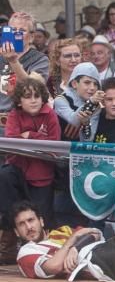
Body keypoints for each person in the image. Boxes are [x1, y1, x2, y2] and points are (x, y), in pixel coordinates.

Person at [0, 76, 60, 233]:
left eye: (37, 96)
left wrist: (30, 135)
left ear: (43, 98)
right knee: (4, 175)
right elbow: (11, 141)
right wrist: (37, 140)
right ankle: (8, 234)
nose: (33, 100)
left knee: (42, 221)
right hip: (18, 172)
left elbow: (54, 144)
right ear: (19, 101)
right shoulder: (14, 114)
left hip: (41, 177)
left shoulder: (50, 114)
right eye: (27, 97)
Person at [0, 11, 50, 136]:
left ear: (32, 37)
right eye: (12, 30)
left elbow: (33, 88)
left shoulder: (40, 59)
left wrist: (13, 61)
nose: (16, 34)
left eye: (21, 31)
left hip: (21, 124)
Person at [53, 62, 103, 142]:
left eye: (95, 84)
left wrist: (86, 125)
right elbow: (73, 120)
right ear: (74, 84)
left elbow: (88, 140)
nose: (92, 88)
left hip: (79, 151)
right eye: (87, 83)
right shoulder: (61, 99)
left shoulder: (96, 107)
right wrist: (91, 102)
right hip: (59, 150)